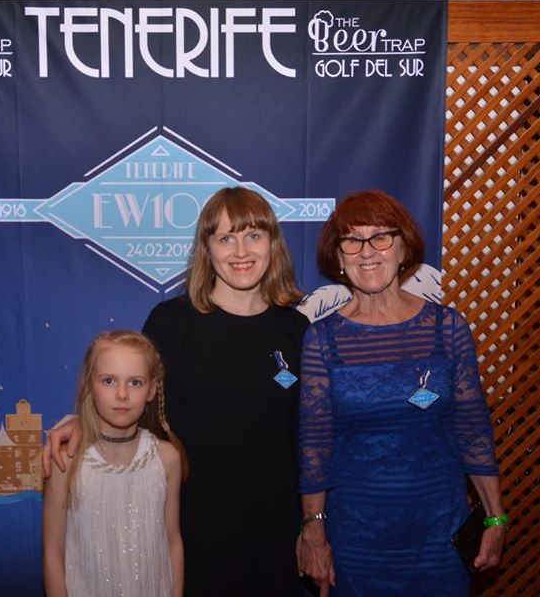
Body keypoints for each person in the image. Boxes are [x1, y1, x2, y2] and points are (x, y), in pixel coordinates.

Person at [45, 187, 310, 596]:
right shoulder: (171, 323)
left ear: (272, 243)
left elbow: (310, 435)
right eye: (226, 238)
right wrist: (82, 421)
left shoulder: (297, 330)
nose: (241, 250)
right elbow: (130, 393)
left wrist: (313, 525)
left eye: (253, 235)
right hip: (188, 529)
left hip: (273, 534)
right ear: (207, 248)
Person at [296, 189, 506, 596]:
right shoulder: (322, 339)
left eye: (380, 237)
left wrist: (496, 518)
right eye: (352, 240)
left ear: (403, 247)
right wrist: (313, 531)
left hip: (439, 535)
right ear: (338, 257)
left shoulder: (448, 328)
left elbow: (473, 429)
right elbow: (315, 443)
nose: (366, 251)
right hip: (356, 539)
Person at [42, 330, 185, 597]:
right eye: (109, 381)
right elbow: (53, 551)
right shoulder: (65, 462)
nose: (122, 394)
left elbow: (172, 539)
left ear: (151, 389)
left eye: (135, 382)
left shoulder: (167, 459)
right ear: (90, 385)